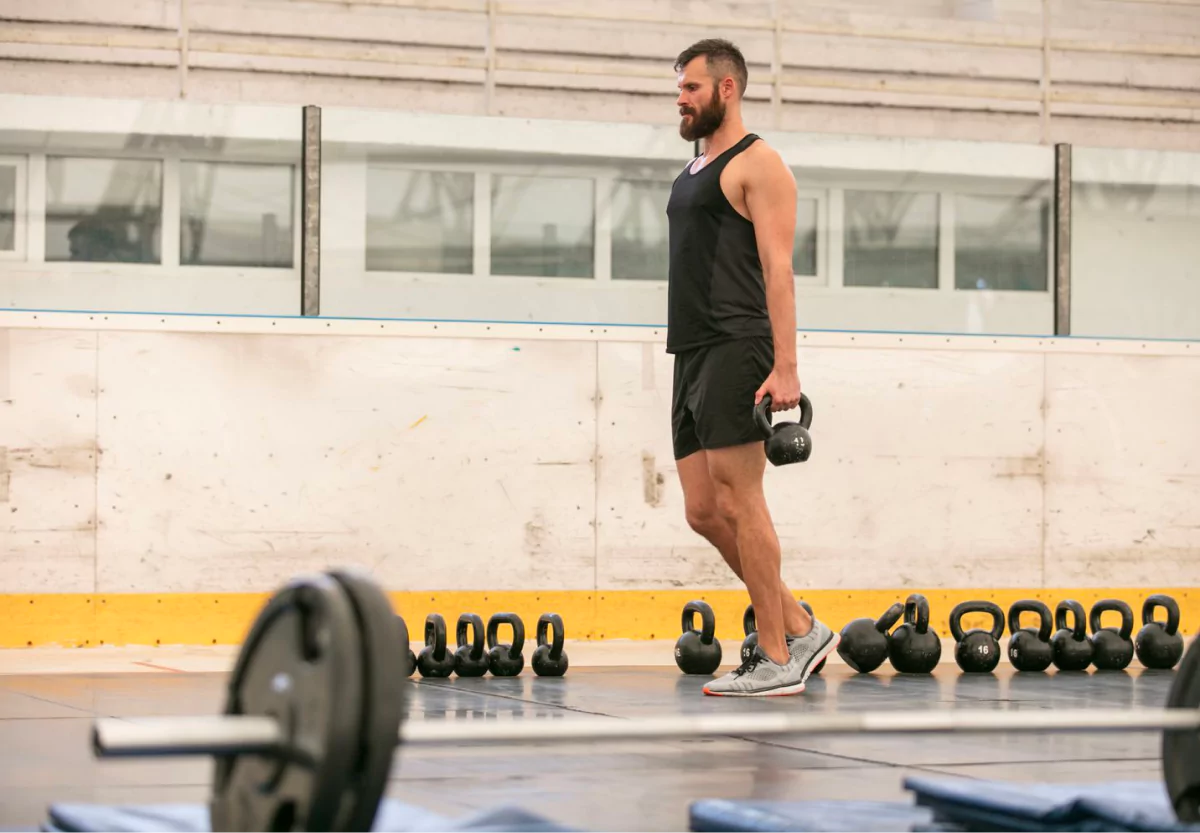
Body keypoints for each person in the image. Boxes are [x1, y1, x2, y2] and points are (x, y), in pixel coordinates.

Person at [665, 38, 838, 696]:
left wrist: (786, 366)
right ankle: (799, 626)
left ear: (727, 88)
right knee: (703, 510)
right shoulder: (695, 167)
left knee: (741, 499)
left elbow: (779, 269)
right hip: (692, 349)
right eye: (679, 89)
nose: (681, 99)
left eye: (691, 88)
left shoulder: (759, 164)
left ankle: (776, 655)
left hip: (739, 344)